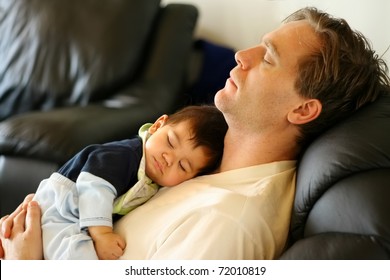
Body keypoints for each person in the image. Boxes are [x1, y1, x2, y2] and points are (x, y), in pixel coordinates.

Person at [1, 7, 389, 260]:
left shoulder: (228, 222)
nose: (242, 55)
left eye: (268, 57)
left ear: (302, 109)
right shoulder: (207, 167)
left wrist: (26, 266)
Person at [2, 105, 228, 260]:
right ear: (158, 125)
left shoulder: (154, 181)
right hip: (61, 206)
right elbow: (95, 187)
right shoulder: (127, 154)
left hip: (73, 215)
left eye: (183, 166)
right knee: (76, 256)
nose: (169, 158)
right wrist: (101, 234)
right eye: (170, 141)